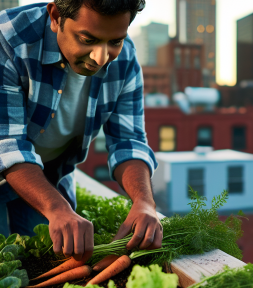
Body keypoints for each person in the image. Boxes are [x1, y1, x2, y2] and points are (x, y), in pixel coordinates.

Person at [0, 0, 162, 262]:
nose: (101, 58)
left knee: (39, 263)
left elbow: (128, 141)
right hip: (10, 163)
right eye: (88, 39)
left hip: (46, 174)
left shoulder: (127, 59)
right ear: (55, 17)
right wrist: (56, 207)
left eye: (115, 42)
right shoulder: (8, 40)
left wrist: (144, 202)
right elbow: (7, 144)